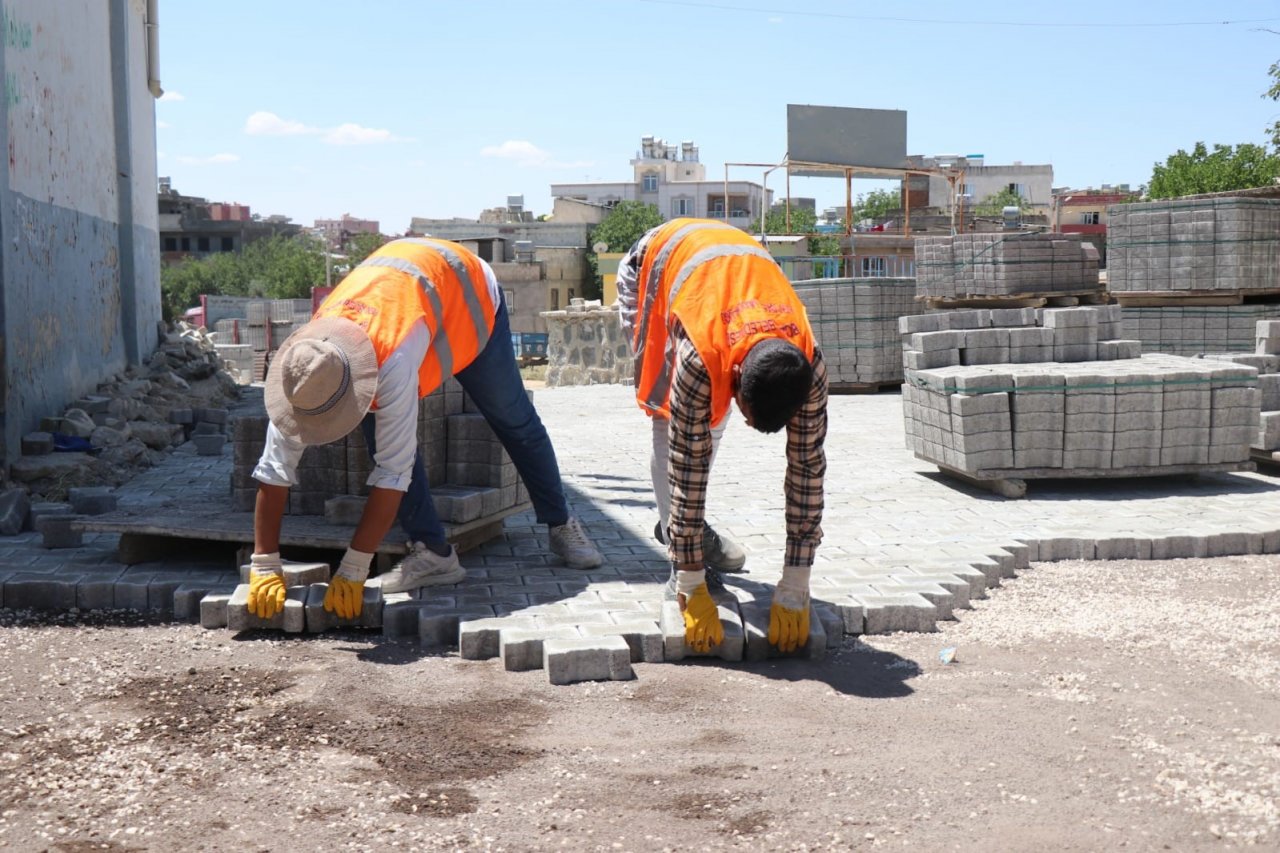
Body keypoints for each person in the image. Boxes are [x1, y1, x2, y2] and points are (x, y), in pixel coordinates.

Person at [245, 237, 602, 621]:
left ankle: (562, 523)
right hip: (411, 303)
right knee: (375, 425)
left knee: (512, 417)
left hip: (471, 300)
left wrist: (354, 568)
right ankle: (435, 554)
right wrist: (264, 562)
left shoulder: (390, 363)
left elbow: (393, 472)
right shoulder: (305, 367)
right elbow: (274, 467)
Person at [616, 218, 828, 654]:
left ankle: (679, 529)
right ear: (736, 378)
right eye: (749, 417)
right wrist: (692, 581)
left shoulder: (808, 364)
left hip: (724, 284)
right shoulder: (701, 357)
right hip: (651, 272)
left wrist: (795, 582)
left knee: (708, 425)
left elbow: (808, 467)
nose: (747, 425)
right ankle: (681, 551)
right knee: (673, 420)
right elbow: (686, 461)